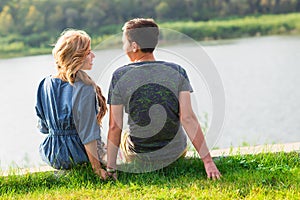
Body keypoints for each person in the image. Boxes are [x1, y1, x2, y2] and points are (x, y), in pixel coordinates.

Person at [106, 18, 221, 180]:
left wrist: (111, 169)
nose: (123, 47)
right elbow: (188, 118)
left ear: (134, 46)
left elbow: (114, 126)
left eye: (124, 42)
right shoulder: (178, 70)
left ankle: (126, 163)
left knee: (124, 133)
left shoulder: (120, 75)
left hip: (141, 156)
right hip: (175, 153)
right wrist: (208, 161)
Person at [35, 29, 108, 179]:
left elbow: (43, 127)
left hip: (52, 154)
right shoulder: (84, 88)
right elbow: (88, 135)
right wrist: (97, 169)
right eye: (88, 53)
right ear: (76, 57)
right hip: (78, 155)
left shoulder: (45, 83)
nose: (93, 56)